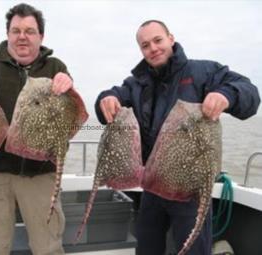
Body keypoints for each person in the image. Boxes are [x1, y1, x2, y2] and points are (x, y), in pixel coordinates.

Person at [95, 20, 260, 255]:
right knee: (147, 247)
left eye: (158, 40)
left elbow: (249, 93)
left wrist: (226, 94)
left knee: (193, 248)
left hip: (190, 189)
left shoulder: (202, 72)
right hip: (151, 186)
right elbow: (112, 97)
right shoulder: (136, 83)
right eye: (145, 45)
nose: (153, 48)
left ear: (171, 38)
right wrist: (106, 99)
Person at [0, 3, 72, 255]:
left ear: (41, 36)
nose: (22, 36)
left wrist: (67, 84)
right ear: (7, 34)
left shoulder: (54, 67)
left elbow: (70, 108)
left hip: (41, 172)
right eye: (16, 30)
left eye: (30, 31)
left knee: (48, 246)